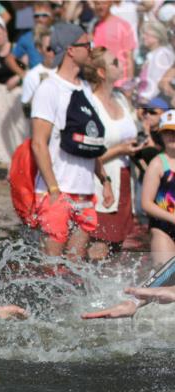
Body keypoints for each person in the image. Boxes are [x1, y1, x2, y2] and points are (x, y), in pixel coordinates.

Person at [29, 22, 115, 261]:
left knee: (76, 264)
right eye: (87, 44)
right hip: (57, 190)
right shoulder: (49, 88)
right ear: (70, 50)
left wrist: (104, 180)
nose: (91, 49)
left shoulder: (86, 88)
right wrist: (54, 190)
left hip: (85, 192)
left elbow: (90, 141)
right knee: (51, 264)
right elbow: (38, 143)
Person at [84, 47, 140, 260]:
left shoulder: (121, 99)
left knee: (117, 246)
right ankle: (85, 289)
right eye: (115, 62)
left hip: (125, 180)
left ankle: (108, 290)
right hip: (101, 181)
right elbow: (88, 153)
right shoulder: (91, 104)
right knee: (99, 245)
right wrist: (120, 149)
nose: (120, 65)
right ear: (101, 72)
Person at [0, 22, 26, 172]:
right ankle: (9, 165)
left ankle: (21, 162)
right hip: (0, 90)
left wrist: (17, 78)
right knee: (0, 125)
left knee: (19, 126)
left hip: (17, 90)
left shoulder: (16, 48)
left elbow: (27, 69)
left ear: (5, 33)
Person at [138, 110, 175, 269]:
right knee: (167, 279)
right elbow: (146, 204)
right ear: (160, 135)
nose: (171, 136)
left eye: (174, 131)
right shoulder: (158, 164)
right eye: (166, 132)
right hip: (163, 230)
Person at [90, 0, 135, 89]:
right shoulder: (96, 26)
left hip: (119, 83)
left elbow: (129, 57)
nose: (100, 7)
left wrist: (129, 85)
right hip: (100, 82)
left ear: (110, 4)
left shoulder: (123, 25)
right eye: (97, 3)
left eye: (104, 3)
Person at [136, 22, 174, 105]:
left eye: (147, 35)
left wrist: (145, 100)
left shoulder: (161, 54)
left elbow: (156, 81)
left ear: (157, 37)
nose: (143, 37)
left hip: (151, 103)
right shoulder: (153, 54)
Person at [13, 1, 55, 70]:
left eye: (44, 15)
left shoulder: (59, 33)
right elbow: (10, 58)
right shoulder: (26, 37)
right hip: (36, 77)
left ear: (51, 17)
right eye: (36, 16)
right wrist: (21, 74)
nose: (40, 19)